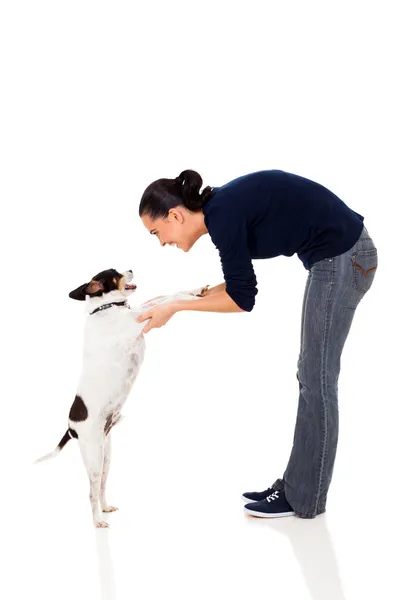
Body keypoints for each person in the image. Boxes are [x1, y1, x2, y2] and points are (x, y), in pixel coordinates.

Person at [137, 169, 378, 519]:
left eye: (157, 233)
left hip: (344, 259)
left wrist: (175, 307)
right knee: (311, 376)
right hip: (341, 258)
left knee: (317, 378)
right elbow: (238, 283)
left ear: (175, 215)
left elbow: (241, 299)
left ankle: (305, 498)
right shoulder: (221, 212)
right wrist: (177, 296)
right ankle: (298, 485)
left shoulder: (221, 215)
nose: (161, 243)